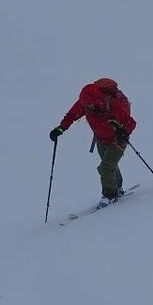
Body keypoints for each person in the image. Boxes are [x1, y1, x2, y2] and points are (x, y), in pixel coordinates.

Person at [49, 77, 137, 209]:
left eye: (90, 106)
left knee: (105, 168)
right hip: (101, 139)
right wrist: (60, 129)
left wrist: (123, 131)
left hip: (117, 139)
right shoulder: (85, 101)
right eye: (86, 106)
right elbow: (72, 115)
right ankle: (118, 188)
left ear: (97, 102)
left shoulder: (111, 103)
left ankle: (110, 196)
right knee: (110, 166)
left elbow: (130, 122)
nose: (87, 109)